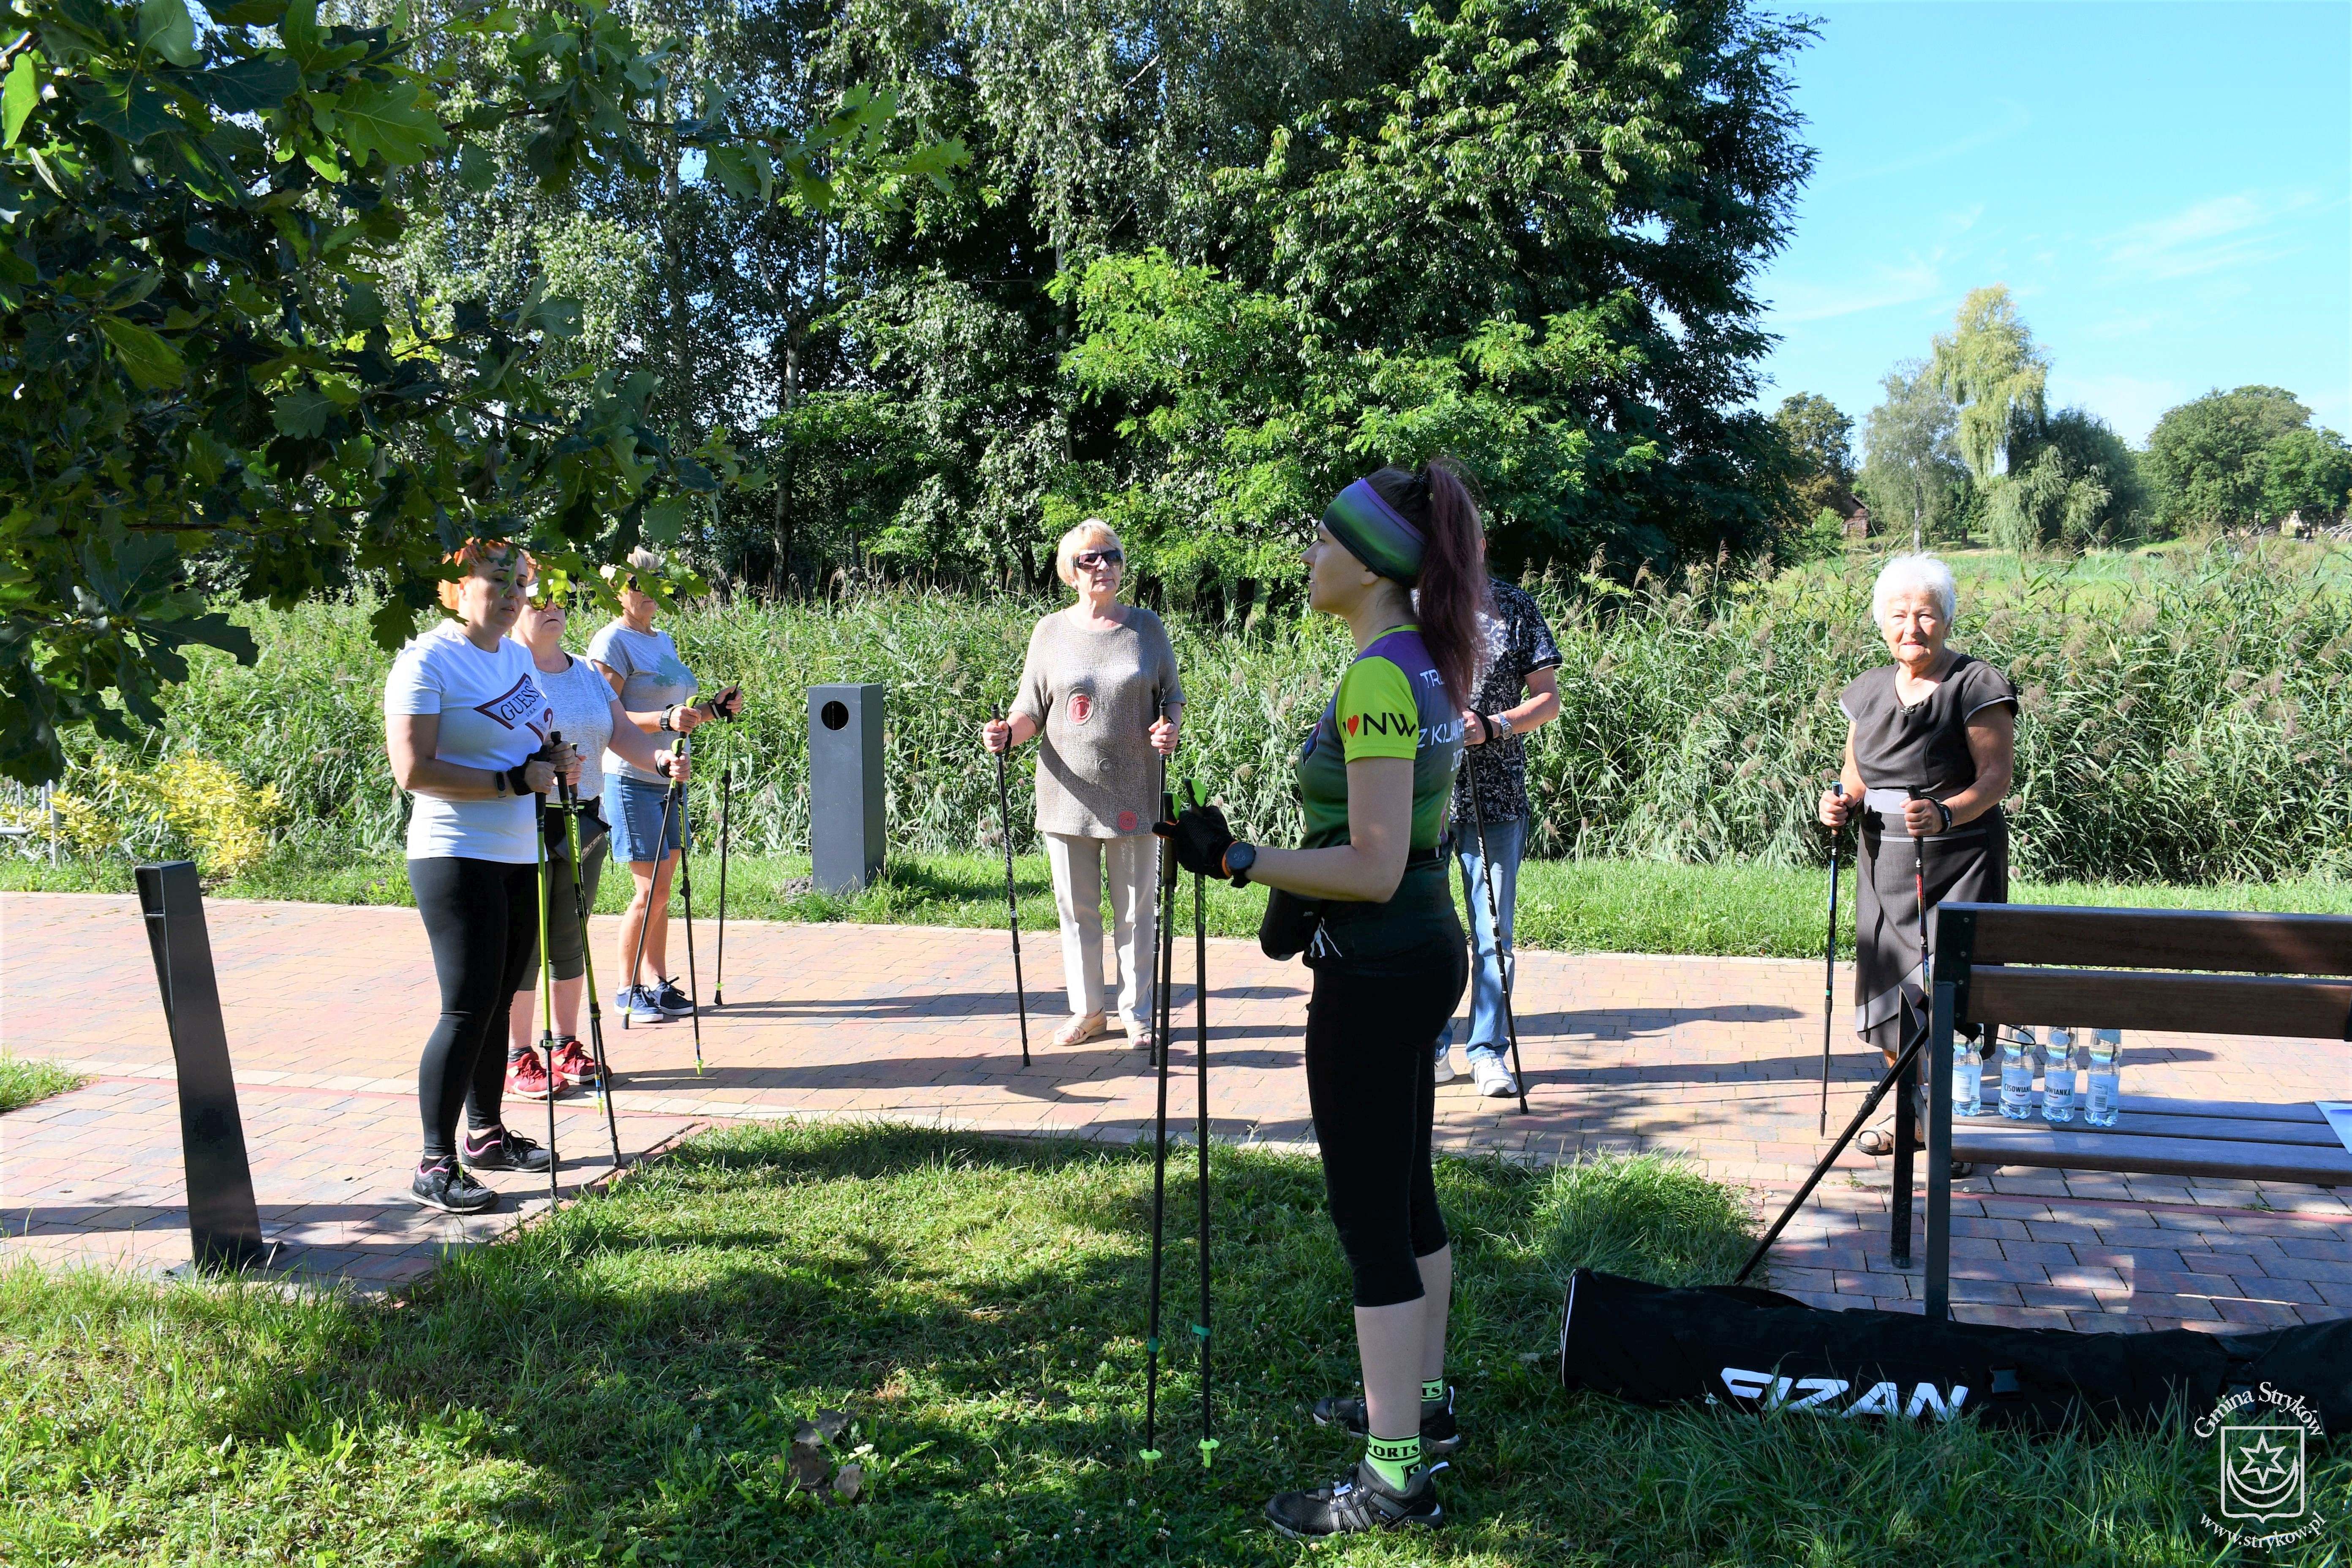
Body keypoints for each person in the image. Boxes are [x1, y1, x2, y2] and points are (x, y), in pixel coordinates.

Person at [1158, 463, 1484, 1537]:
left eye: (1322, 543)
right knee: (1406, 1192)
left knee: (1369, 1221)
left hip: (1381, 962)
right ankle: (1423, 1407)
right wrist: (1269, 868)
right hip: (1419, 950)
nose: (1309, 558)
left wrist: (1240, 858)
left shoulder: (1381, 679)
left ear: (1372, 563)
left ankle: (1393, 1480)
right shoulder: (1420, 665)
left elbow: (1378, 862)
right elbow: (1382, 845)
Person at [385, 542, 581, 1214]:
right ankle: (434, 1163)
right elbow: (412, 769)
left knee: (499, 1002)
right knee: (466, 1007)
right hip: (454, 851)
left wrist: (555, 760)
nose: (513, 594)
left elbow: (526, 742)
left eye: (521, 582)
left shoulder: (515, 656)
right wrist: (508, 782)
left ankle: (486, 1136)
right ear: (455, 587)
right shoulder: (427, 659)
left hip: (517, 848)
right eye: (497, 580)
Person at [1817, 553, 2016, 1164]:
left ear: (1947, 619)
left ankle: (1944, 1131)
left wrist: (1948, 812)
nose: (1913, 627)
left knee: (1942, 997)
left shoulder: (1977, 686)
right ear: (1882, 624)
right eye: (1900, 616)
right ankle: (1915, 1124)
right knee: (1890, 994)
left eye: (1926, 614)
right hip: (1884, 864)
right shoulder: (1869, 691)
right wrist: (1839, 802)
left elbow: (1996, 779)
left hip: (1957, 861)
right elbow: (1856, 774)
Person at [980, 520, 1181, 1052]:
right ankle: (1088, 1012)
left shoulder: (1146, 627)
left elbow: (1172, 696)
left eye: (1111, 556)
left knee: (1138, 909)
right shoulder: (1050, 632)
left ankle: (1138, 1014)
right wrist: (1007, 735)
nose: (1104, 567)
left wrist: (1170, 728)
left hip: (1135, 789)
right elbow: (1030, 709)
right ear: (1070, 572)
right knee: (1077, 910)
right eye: (1090, 559)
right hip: (1066, 795)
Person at [502, 579, 691, 1100]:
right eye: (539, 602)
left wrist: (658, 759)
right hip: (522, 819)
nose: (552, 610)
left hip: (582, 818)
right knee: (526, 938)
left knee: (569, 933)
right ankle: (519, 1054)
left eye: (559, 601)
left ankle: (566, 1045)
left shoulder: (587, 674)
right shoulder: (505, 669)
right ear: (515, 609)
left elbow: (620, 731)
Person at [585, 548, 743, 1024]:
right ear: (618, 590)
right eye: (638, 583)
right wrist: (662, 717)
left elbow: (679, 714)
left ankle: (656, 981)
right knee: (648, 888)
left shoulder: (664, 640)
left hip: (672, 778)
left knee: (664, 888)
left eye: (656, 582)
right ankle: (625, 987)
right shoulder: (611, 642)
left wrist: (712, 709)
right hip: (631, 778)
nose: (649, 591)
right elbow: (606, 716)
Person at [1433, 565, 1562, 1098]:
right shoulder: (1416, 606)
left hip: (1499, 795)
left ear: (1481, 545)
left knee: (1493, 935)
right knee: (1430, 931)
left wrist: (1493, 725)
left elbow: (1548, 699)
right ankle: (1431, 1046)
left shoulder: (1517, 607)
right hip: (1428, 798)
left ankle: (1486, 1051)